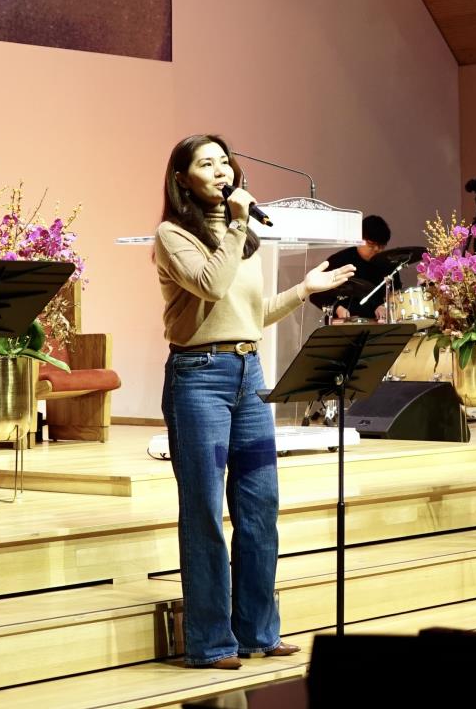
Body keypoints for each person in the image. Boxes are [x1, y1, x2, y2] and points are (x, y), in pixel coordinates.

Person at [154, 134, 355, 669]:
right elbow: (210, 286)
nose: (221, 171)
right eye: (207, 164)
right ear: (182, 180)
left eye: (225, 161)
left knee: (259, 505)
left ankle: (258, 630)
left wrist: (304, 290)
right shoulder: (173, 235)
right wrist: (238, 223)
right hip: (199, 377)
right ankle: (210, 641)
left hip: (249, 373)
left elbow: (249, 314)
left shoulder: (240, 238)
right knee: (204, 510)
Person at [309, 214, 397, 320]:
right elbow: (315, 294)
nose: (376, 249)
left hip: (377, 323)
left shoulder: (388, 264)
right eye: (371, 245)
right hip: (344, 323)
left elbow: (396, 293)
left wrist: (384, 306)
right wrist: (337, 308)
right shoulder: (340, 260)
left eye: (381, 246)